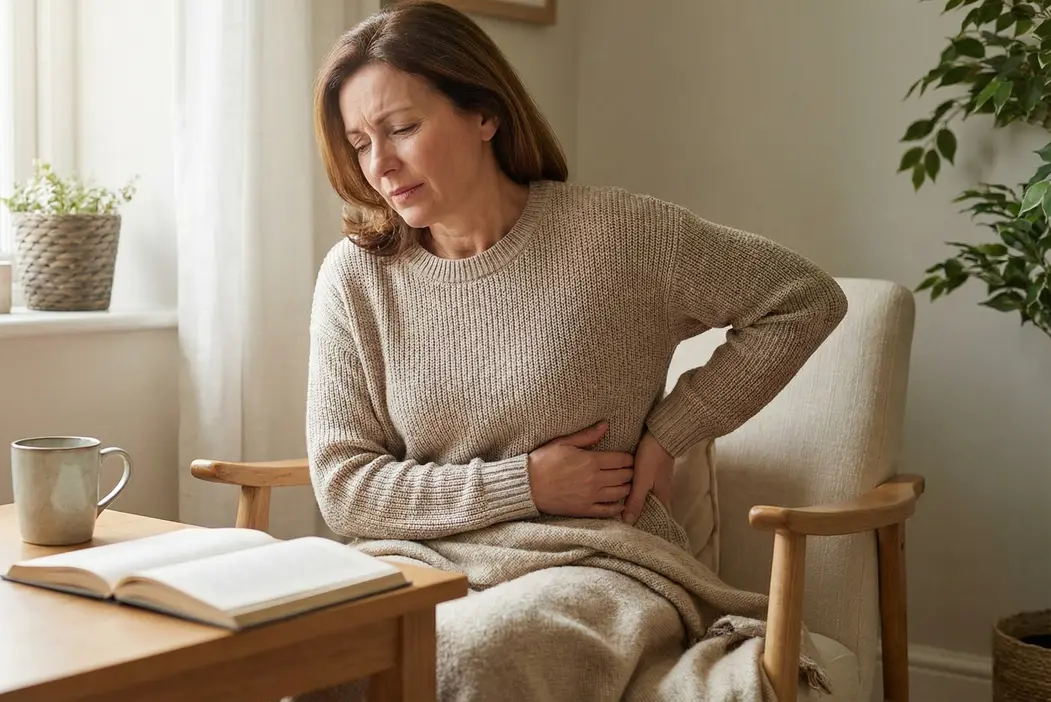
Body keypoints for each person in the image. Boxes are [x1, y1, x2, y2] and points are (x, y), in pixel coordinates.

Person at [302, 1, 847, 700]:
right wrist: (523, 483)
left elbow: (802, 299)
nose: (379, 164)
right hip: (411, 559)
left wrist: (669, 432)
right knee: (306, 655)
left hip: (593, 562)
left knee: (457, 656)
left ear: (483, 114)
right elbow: (345, 488)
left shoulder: (621, 235)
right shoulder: (356, 275)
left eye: (401, 128)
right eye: (358, 142)